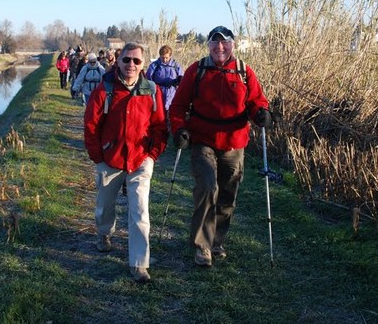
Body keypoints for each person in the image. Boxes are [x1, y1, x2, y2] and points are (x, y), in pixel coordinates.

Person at [169, 26, 271, 267]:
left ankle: (216, 241)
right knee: (207, 187)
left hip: (234, 142)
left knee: (227, 195)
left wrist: (260, 114)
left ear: (232, 45)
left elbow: (256, 101)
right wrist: (180, 129)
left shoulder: (244, 72)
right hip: (202, 140)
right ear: (209, 47)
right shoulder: (197, 70)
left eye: (224, 43)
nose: (220, 48)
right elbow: (178, 106)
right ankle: (202, 246)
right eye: (215, 44)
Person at [84, 42, 167, 283]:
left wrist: (152, 155)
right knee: (105, 205)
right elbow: (91, 126)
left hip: (140, 160)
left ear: (143, 64)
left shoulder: (151, 90)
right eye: (127, 60)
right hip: (110, 159)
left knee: (140, 210)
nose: (131, 64)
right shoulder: (105, 89)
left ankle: (139, 263)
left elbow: (160, 127)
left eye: (136, 61)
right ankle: (104, 233)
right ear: (118, 61)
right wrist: (98, 158)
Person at [146, 45, 184, 118]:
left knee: (171, 117)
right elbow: (148, 81)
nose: (165, 60)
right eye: (163, 57)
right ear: (160, 56)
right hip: (158, 94)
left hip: (172, 94)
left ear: (170, 56)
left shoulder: (176, 66)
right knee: (159, 116)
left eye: (167, 57)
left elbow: (182, 81)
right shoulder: (154, 66)